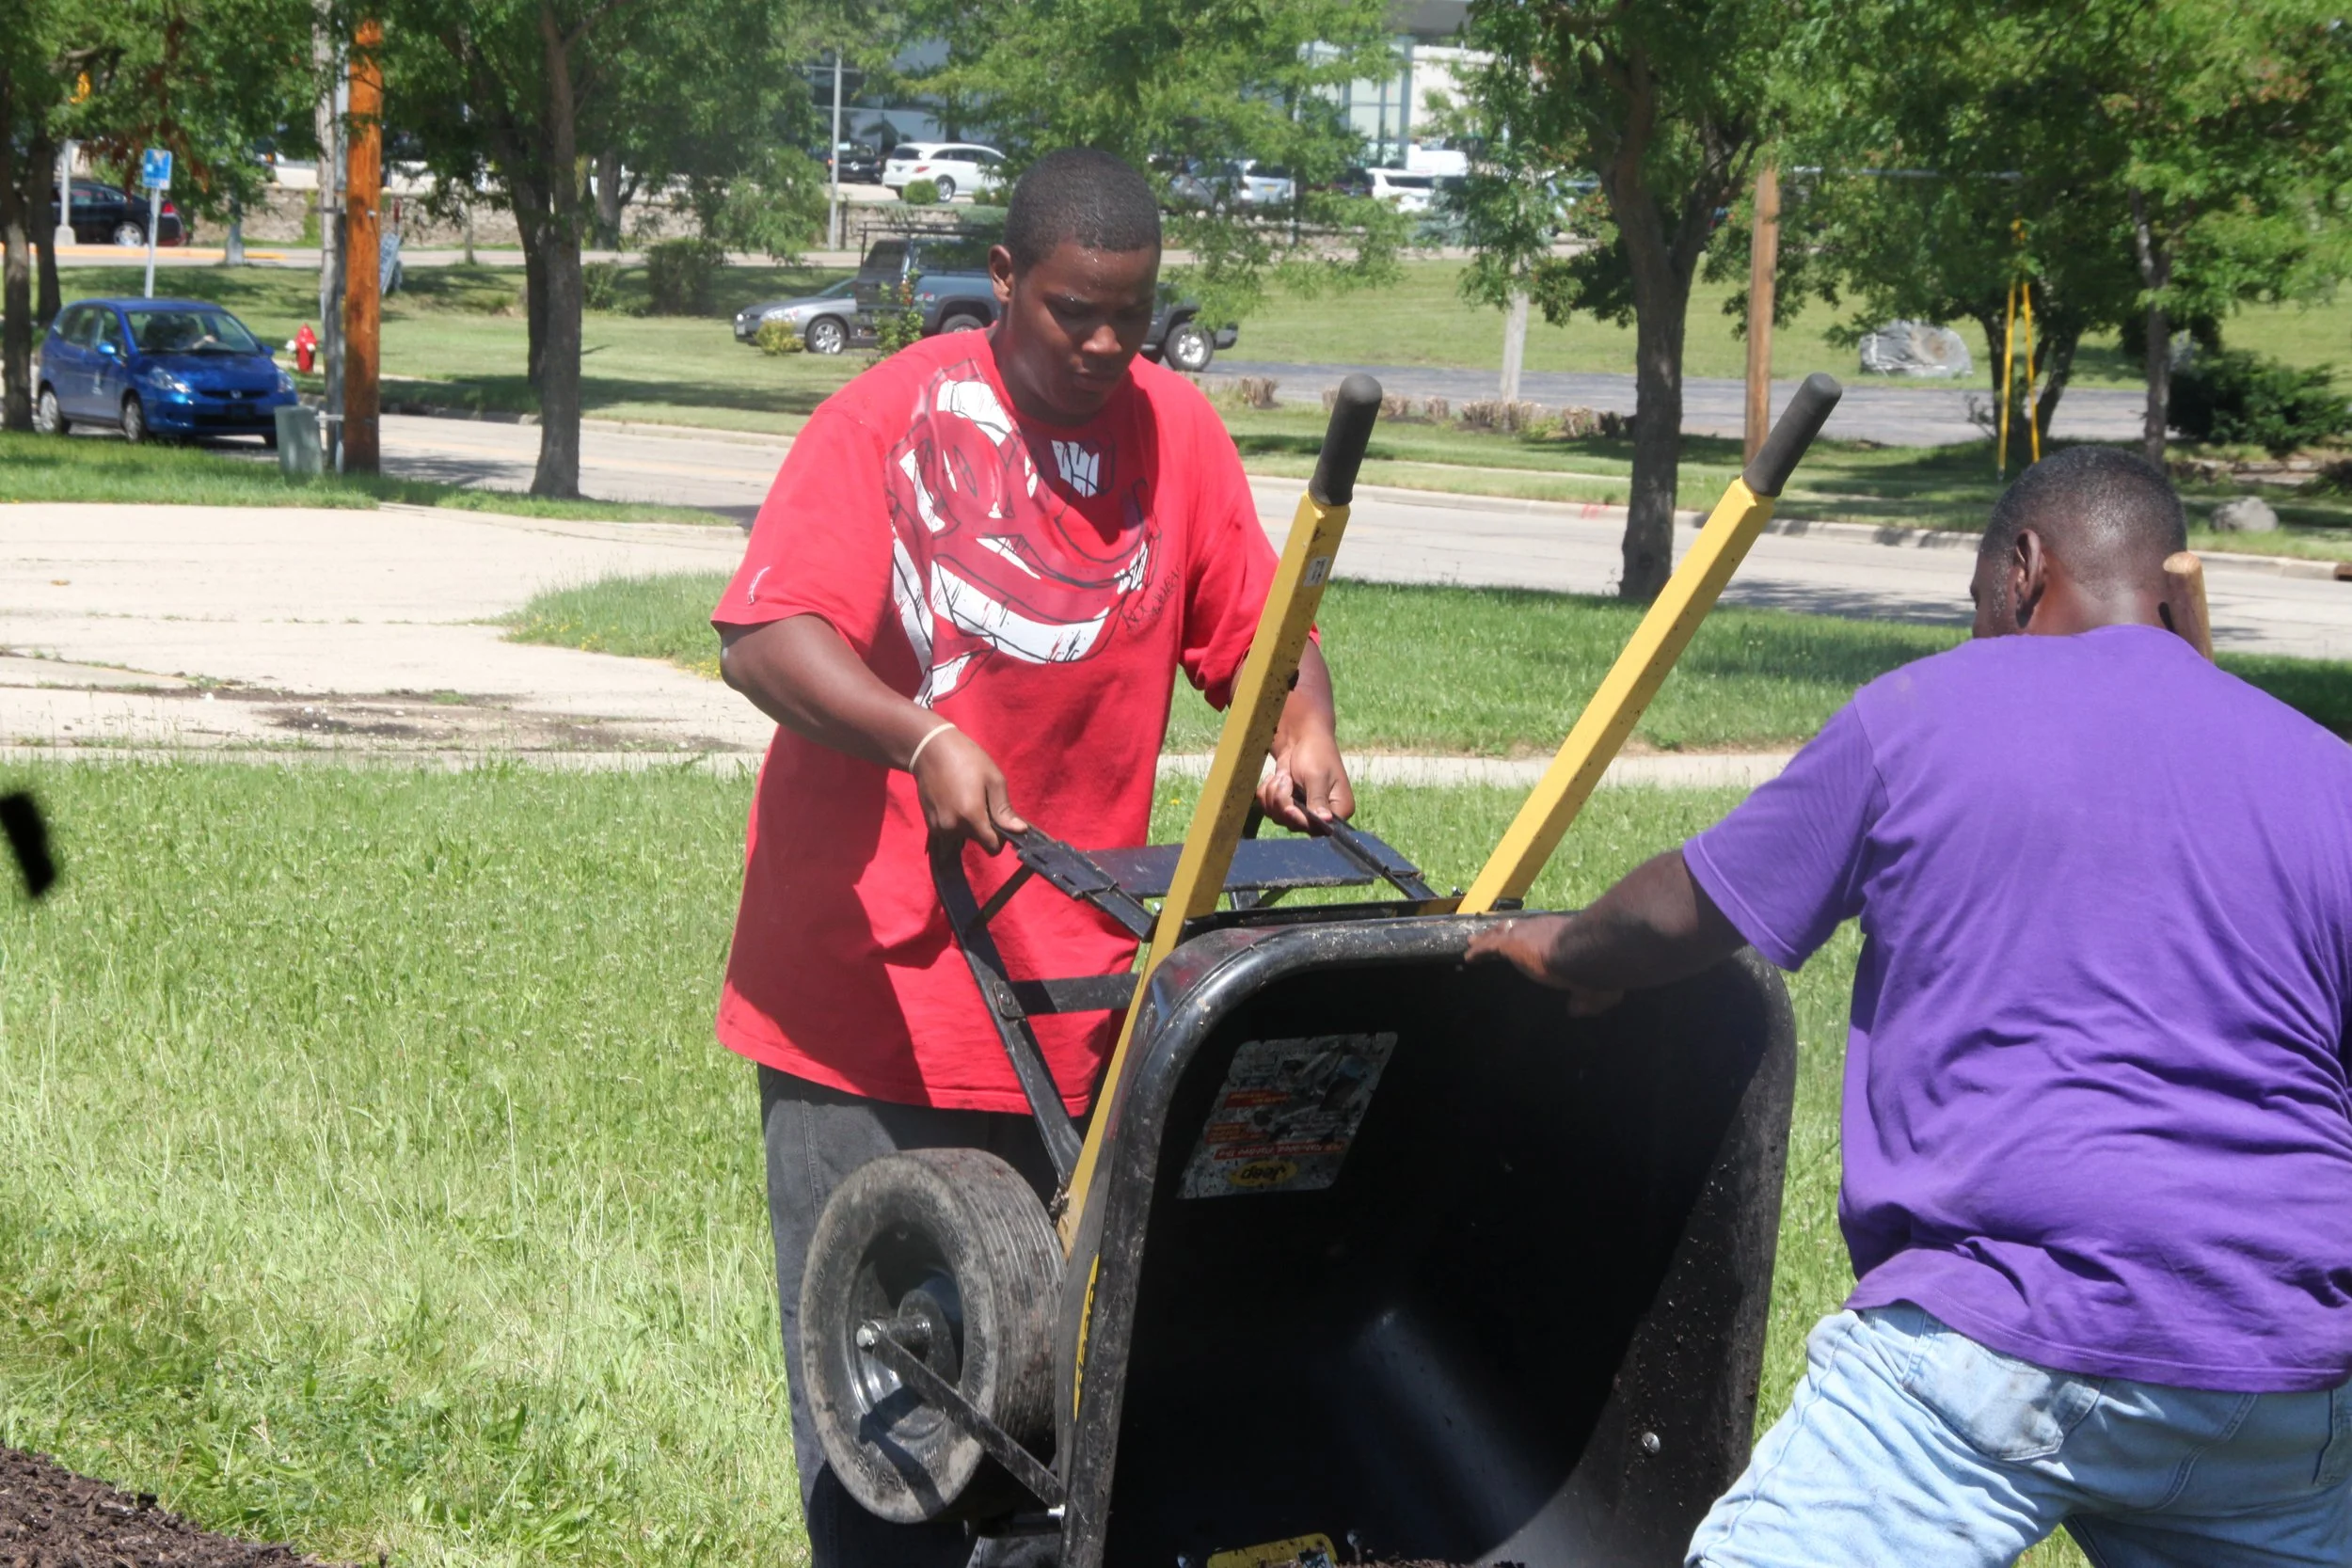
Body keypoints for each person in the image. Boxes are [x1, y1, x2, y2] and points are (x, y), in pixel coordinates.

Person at [1470, 446, 2352, 1566]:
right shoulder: (2327, 770)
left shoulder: (1926, 712)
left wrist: (1560, 945)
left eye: (1979, 595)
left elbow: (1687, 910)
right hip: (2280, 1372)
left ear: (2022, 568)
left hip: (2008, 1320)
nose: (1978, 622)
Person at [709, 148, 1354, 1567]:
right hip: (871, 1003)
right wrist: (915, 730)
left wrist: (1300, 721)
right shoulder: (887, 421)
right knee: (893, 1418)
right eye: (1074, 313)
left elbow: (1256, 631)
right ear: (1002, 281)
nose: (1107, 344)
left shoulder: (1175, 433)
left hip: (1079, 1007)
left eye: (1132, 314)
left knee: (1060, 1417)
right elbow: (765, 635)